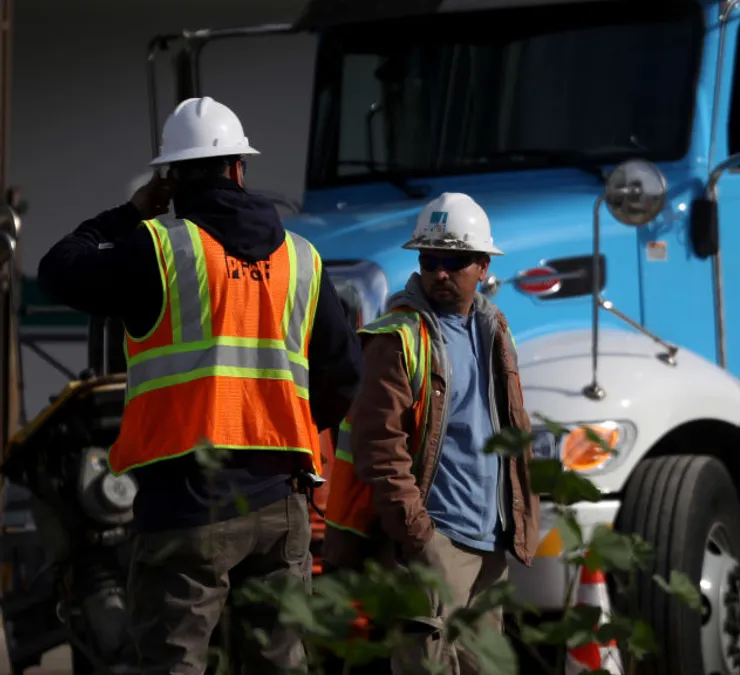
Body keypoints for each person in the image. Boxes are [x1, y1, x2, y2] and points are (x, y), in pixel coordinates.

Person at [37, 96, 363, 675]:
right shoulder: (304, 260)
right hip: (280, 500)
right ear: (240, 169)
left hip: (185, 503)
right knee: (278, 665)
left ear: (171, 179)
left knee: (173, 664)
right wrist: (289, 430)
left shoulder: (157, 249)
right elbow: (345, 378)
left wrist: (130, 213)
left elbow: (60, 267)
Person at [322, 192, 540, 675]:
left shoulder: (493, 330)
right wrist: (417, 534)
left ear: (482, 266)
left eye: (454, 261)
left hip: (489, 542)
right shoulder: (396, 339)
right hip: (432, 540)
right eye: (430, 260)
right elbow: (379, 449)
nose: (440, 272)